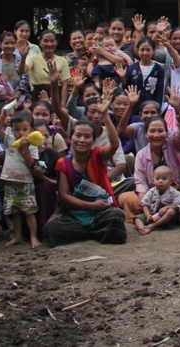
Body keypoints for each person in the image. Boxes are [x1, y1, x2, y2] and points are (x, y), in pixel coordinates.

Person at [42, 99, 127, 247]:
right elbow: (65, 196)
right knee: (51, 229)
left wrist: (105, 115)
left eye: (87, 137)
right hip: (76, 212)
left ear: (93, 141)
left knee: (116, 216)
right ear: (71, 138)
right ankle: (94, 232)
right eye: (78, 136)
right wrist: (90, 205)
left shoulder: (98, 155)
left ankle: (88, 232)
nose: (82, 140)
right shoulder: (63, 163)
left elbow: (114, 144)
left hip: (101, 210)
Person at [0, 110, 40, 249]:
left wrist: (25, 148)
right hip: (9, 182)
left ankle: (33, 236)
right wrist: (2, 117)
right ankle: (18, 236)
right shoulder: (9, 140)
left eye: (25, 129)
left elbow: (31, 164)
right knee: (14, 212)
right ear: (12, 130)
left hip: (25, 182)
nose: (21, 133)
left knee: (29, 211)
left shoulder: (32, 145)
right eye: (17, 129)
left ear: (31, 130)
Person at [137, 165, 180, 235]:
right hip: (153, 214)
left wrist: (167, 207)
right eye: (157, 179)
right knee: (137, 218)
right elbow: (145, 205)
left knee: (171, 211)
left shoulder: (175, 193)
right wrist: (148, 215)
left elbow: (177, 206)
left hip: (166, 217)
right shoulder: (151, 191)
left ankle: (153, 226)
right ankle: (142, 228)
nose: (160, 181)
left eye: (164, 179)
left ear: (170, 181)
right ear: (153, 180)